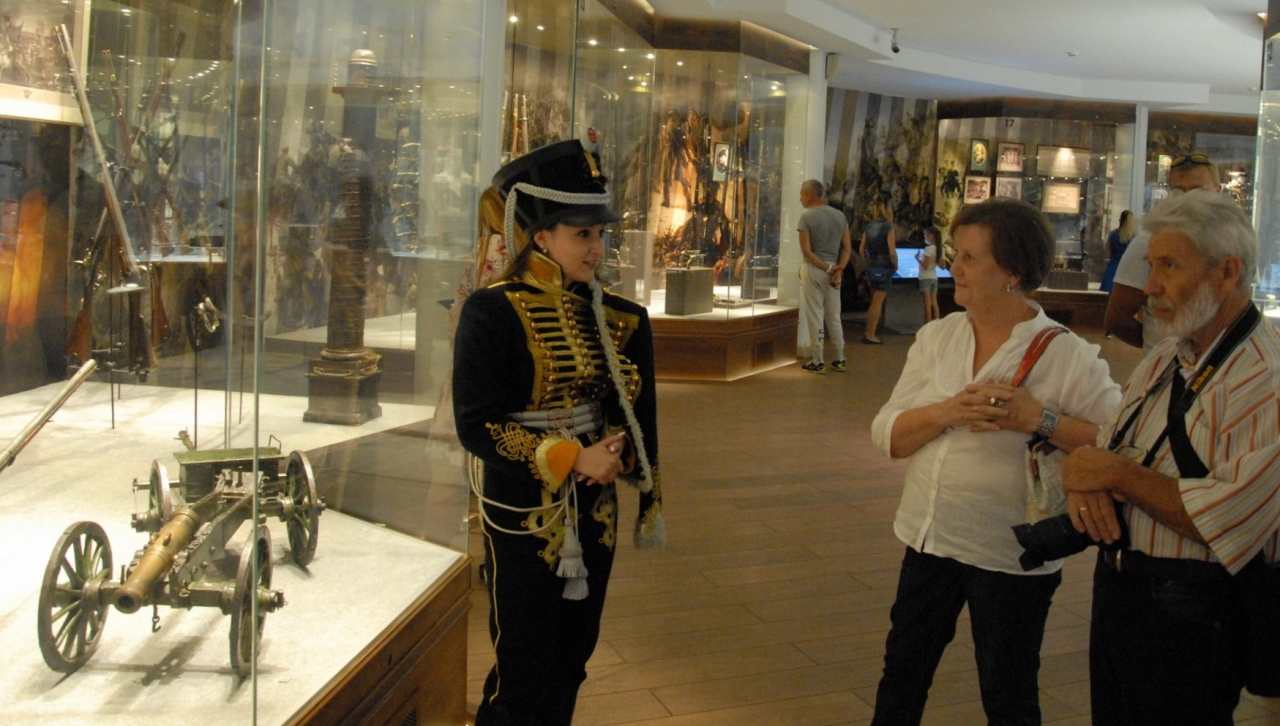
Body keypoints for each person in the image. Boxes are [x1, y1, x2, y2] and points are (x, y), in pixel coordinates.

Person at [869, 197, 1121, 726]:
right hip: (928, 538)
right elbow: (888, 435)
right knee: (902, 674)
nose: (953, 267)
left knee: (1008, 692)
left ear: (1013, 273)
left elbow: (1120, 443)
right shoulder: (938, 337)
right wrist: (946, 412)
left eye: (969, 257)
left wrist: (1039, 419)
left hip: (1010, 554)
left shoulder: (1067, 355)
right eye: (955, 254)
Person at [452, 139, 666, 726]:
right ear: (541, 236)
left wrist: (620, 452)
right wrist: (572, 456)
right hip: (523, 508)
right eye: (582, 234)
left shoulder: (622, 317)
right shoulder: (492, 311)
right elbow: (476, 422)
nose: (598, 248)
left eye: (600, 234)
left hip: (594, 509)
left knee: (573, 655)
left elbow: (635, 413)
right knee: (523, 665)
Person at [1062, 190, 1280, 726]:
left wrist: (1115, 473)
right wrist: (1088, 476)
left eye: (1169, 266)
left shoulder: (1265, 378)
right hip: (1121, 589)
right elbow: (1108, 447)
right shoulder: (1166, 355)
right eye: (1152, 265)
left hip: (1195, 611)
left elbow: (1227, 519)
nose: (1150, 286)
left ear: (1227, 272)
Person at [1103, 153, 1221, 350]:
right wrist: (1159, 351)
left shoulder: (1233, 242)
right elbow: (1117, 319)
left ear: (1217, 191)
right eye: (1179, 191)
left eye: (1198, 190)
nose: (1188, 199)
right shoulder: (1149, 242)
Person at [797, 178, 852, 373]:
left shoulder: (806, 217)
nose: (800, 198)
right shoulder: (840, 216)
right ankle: (839, 357)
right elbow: (846, 247)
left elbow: (807, 251)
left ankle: (818, 360)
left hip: (815, 269)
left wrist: (827, 268)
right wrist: (839, 269)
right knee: (834, 316)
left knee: (815, 315)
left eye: (802, 194)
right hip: (835, 272)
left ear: (810, 195)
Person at [860, 198, 898, 344]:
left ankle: (867, 331)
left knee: (873, 300)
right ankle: (871, 334)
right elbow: (892, 252)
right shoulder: (889, 227)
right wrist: (895, 265)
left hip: (871, 265)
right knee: (878, 302)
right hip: (884, 267)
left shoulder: (869, 227)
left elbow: (861, 248)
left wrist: (867, 261)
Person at [1099, 209, 1135, 293]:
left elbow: (1107, 253)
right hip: (1127, 270)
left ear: (1120, 220)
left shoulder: (1113, 234)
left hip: (1113, 269)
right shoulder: (1133, 237)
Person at [915, 226, 943, 323]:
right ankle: (937, 323)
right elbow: (943, 266)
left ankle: (927, 325)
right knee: (934, 302)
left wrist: (917, 258)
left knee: (927, 303)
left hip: (925, 277)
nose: (925, 238)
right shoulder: (940, 249)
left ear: (931, 236)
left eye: (925, 235)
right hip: (934, 277)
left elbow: (925, 265)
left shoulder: (928, 249)